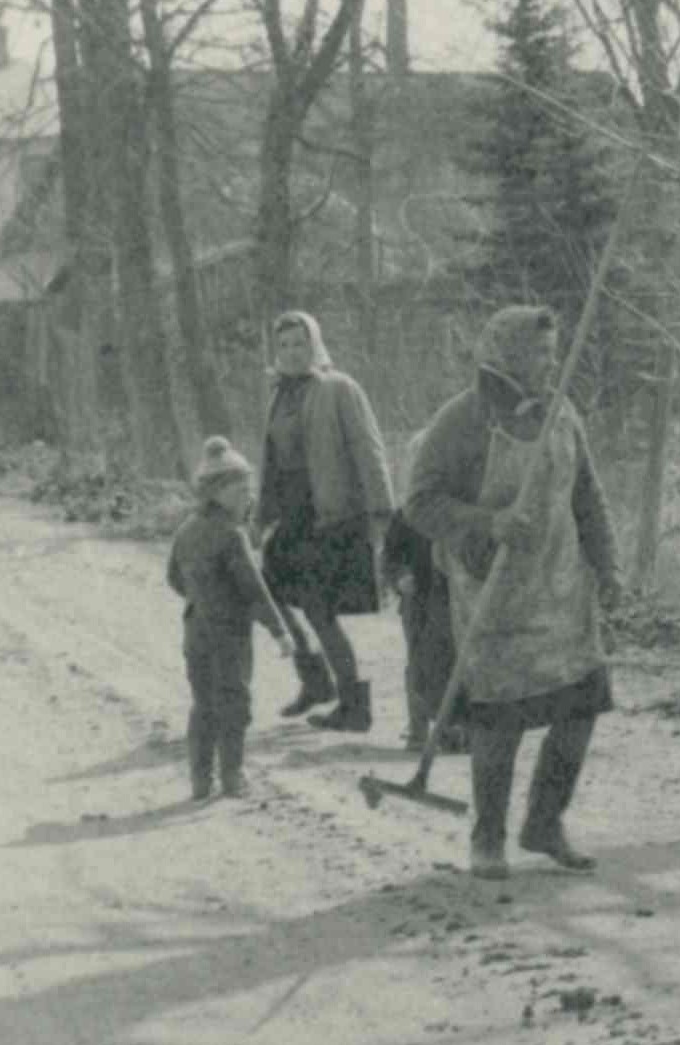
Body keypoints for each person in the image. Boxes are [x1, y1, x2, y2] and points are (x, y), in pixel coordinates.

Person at [405, 304, 619, 882]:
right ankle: (488, 838)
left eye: (554, 351)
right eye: (539, 352)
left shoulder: (562, 412)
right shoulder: (462, 420)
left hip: (564, 587)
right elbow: (419, 503)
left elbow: (588, 496)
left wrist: (608, 567)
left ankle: (545, 822)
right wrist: (487, 522)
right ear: (507, 355)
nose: (551, 363)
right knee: (500, 719)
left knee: (581, 706)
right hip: (495, 594)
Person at [254, 311, 396, 733]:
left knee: (319, 610)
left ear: (314, 345)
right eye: (283, 345)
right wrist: (261, 516)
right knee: (267, 591)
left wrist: (381, 512)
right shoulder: (280, 394)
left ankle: (354, 704)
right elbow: (273, 463)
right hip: (292, 516)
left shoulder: (339, 388)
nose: (291, 353)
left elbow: (368, 450)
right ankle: (315, 680)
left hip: (331, 516)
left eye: (300, 343)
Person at [164, 438, 294, 800]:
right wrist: (279, 631)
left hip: (195, 629)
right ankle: (232, 776)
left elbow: (173, 577)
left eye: (248, 490)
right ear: (217, 492)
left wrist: (202, 597)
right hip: (230, 634)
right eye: (240, 490)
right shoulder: (232, 534)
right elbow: (254, 588)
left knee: (203, 704)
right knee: (234, 702)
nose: (247, 497)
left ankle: (200, 780)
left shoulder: (186, 530)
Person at [383, 423, 464, 756]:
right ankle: (418, 729)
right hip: (416, 599)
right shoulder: (404, 515)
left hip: (452, 598)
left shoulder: (456, 510)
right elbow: (390, 557)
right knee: (418, 662)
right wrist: (399, 577)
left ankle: (454, 728)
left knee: (455, 661)